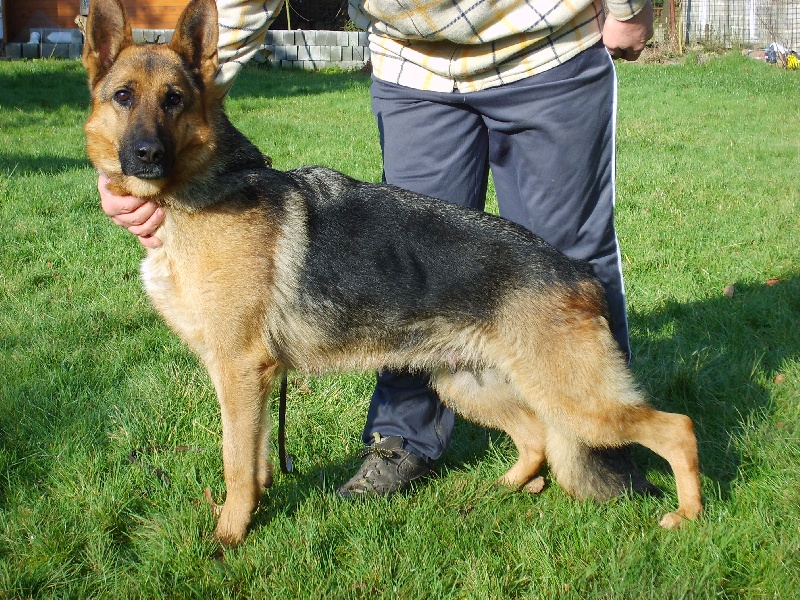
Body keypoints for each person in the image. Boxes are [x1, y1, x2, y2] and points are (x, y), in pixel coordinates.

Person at [98, 0, 655, 499]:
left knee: (556, 264)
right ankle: (407, 441)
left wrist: (627, 8)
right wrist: (125, 169)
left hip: (546, 46)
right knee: (407, 284)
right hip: (415, 67)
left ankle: (603, 445)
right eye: (124, 99)